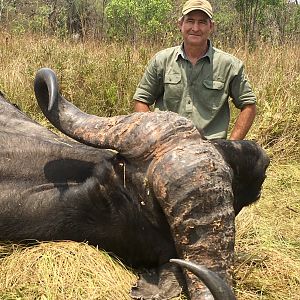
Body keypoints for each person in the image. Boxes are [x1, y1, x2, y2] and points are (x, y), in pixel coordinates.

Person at [133, 0, 257, 140]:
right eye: (190, 21)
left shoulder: (230, 65)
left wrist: (231, 146)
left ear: (211, 26)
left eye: (202, 22)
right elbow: (141, 100)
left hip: (211, 147)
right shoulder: (161, 60)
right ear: (180, 24)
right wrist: (154, 135)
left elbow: (249, 105)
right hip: (166, 145)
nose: (195, 28)